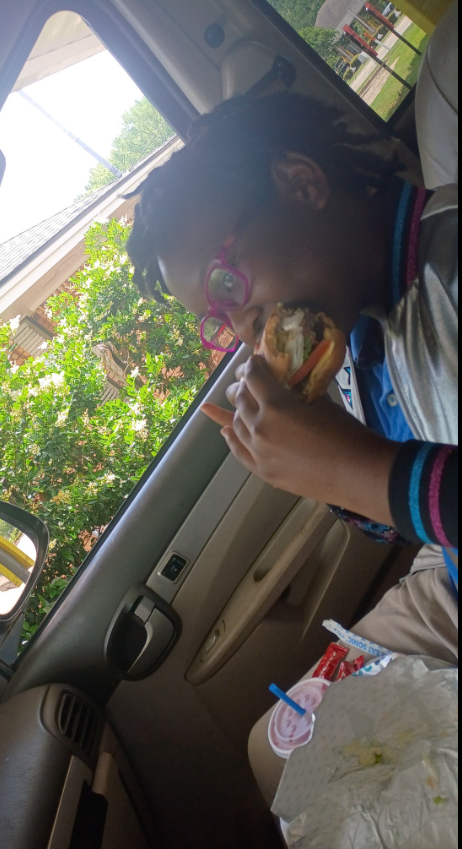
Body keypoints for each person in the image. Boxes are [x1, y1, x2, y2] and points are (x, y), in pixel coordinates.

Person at [124, 67, 457, 804]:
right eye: (218, 320)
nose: (244, 330)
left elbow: (399, 479)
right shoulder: (356, 337)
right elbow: (399, 512)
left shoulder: (447, 269)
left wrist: (359, 471)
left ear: (302, 185)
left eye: (227, 284)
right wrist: (323, 475)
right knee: (277, 754)